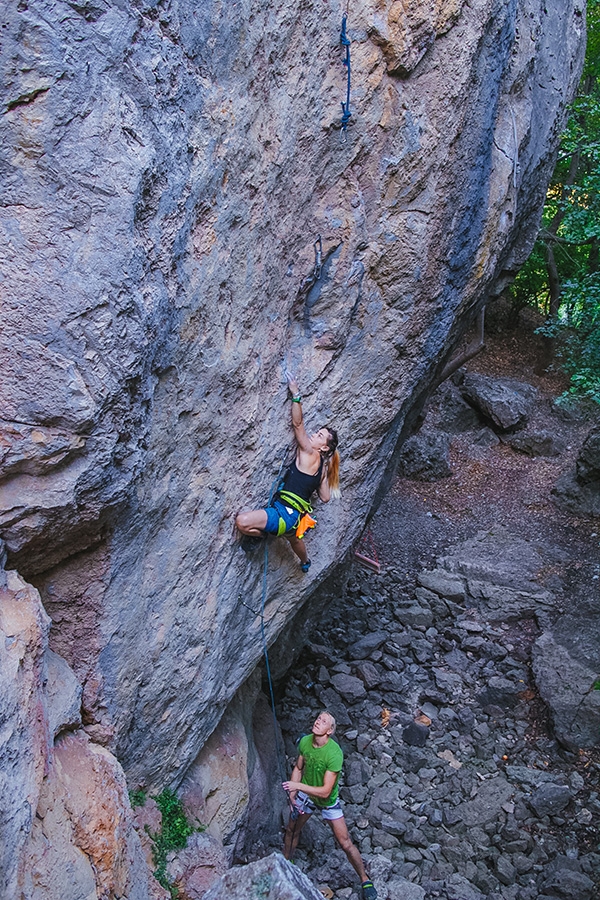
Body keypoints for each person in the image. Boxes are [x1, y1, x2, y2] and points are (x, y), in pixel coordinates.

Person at [235, 376, 340, 573]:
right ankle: (305, 562)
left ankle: (261, 535)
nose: (314, 435)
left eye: (319, 436)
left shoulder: (310, 452)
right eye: (317, 432)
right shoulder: (323, 469)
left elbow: (298, 425)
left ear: (324, 447)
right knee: (294, 539)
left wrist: (296, 395)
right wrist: (324, 475)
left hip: (282, 513)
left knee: (242, 522)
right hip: (295, 520)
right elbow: (325, 497)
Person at [281, 711, 377, 900]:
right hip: (306, 794)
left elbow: (325, 791)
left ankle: (365, 879)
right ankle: (285, 865)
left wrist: (297, 786)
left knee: (345, 842)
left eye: (323, 721)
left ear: (330, 731)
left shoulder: (334, 754)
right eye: (318, 718)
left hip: (326, 800)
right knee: (292, 830)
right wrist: (293, 794)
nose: (318, 722)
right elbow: (299, 768)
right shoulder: (305, 742)